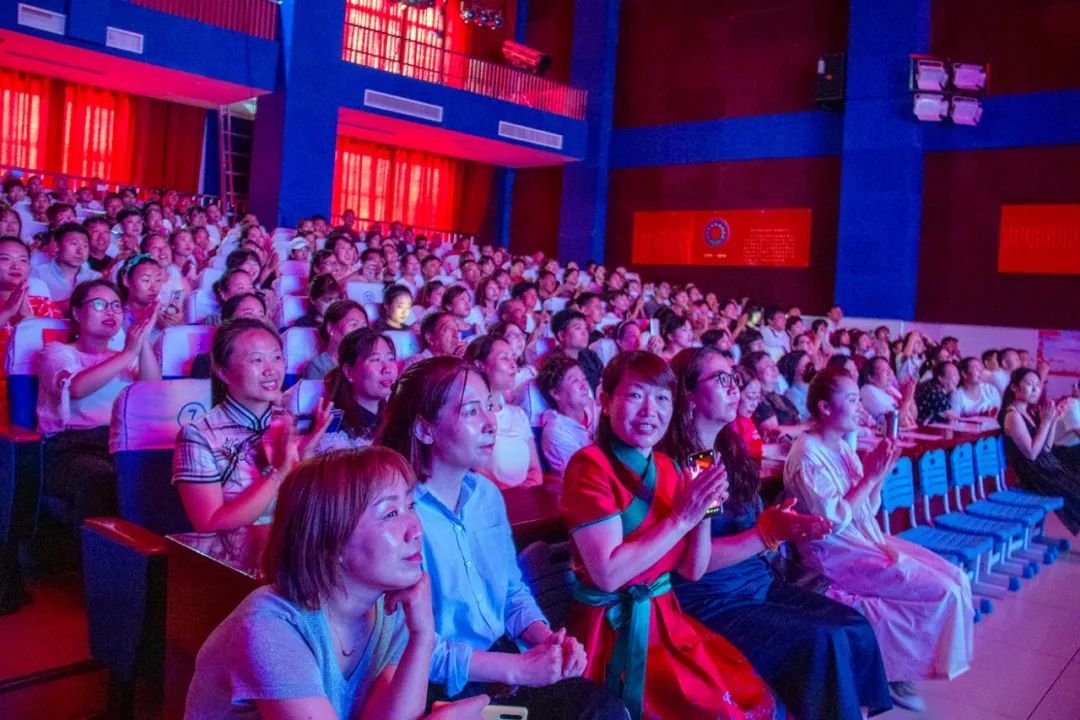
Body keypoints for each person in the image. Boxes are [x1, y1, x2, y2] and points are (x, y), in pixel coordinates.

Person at [376, 357, 626, 720]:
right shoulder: (399, 516)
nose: (490, 422)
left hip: (504, 661)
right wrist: (518, 668)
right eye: (471, 411)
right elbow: (405, 648)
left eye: (489, 407)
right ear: (425, 429)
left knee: (602, 708)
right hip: (439, 686)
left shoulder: (486, 496)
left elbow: (511, 592)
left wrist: (547, 641)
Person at [665, 347, 892, 720]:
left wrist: (782, 525)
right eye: (720, 379)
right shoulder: (691, 461)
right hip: (716, 600)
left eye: (733, 377)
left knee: (855, 626)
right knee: (824, 641)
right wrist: (768, 534)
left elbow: (761, 525)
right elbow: (693, 562)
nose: (733, 387)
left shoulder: (728, 449)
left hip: (758, 582)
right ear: (688, 394)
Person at [184, 447, 491, 720]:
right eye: (391, 513)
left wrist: (422, 635)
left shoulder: (389, 609)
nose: (415, 529)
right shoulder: (269, 627)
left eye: (410, 506)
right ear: (330, 542)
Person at [559, 351, 777, 720]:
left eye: (662, 398)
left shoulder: (669, 466)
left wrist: (704, 511)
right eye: (635, 396)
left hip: (666, 617)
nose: (650, 411)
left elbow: (692, 570)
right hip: (614, 628)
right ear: (606, 401)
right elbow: (608, 575)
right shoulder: (588, 465)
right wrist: (682, 517)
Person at [783, 367, 974, 710]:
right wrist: (868, 477)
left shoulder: (841, 446)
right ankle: (892, 670)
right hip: (833, 552)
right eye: (852, 399)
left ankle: (895, 667)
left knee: (957, 579)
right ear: (825, 408)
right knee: (941, 593)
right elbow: (830, 522)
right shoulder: (806, 454)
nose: (859, 407)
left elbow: (867, 507)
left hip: (864, 537)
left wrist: (879, 475)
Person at [172, 319, 331, 532]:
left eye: (276, 358)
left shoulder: (288, 421)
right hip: (232, 556)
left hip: (294, 545)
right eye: (257, 360)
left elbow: (310, 508)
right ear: (223, 372)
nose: (271, 370)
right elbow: (209, 524)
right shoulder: (199, 435)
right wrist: (278, 474)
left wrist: (307, 455)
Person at [36, 280, 160, 524]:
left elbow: (152, 392)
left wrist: (142, 338)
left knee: (164, 473)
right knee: (103, 479)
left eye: (116, 306)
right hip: (71, 447)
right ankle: (95, 557)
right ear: (76, 312)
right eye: (100, 304)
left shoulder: (123, 357)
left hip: (121, 443)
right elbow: (78, 388)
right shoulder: (57, 352)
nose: (111, 311)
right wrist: (128, 353)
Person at [999, 369, 1080, 535]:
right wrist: (1044, 423)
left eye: (1037, 385)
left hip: (1047, 466)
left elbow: (1047, 448)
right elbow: (1031, 454)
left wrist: (1053, 421)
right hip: (1035, 474)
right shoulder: (1013, 415)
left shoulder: (1027, 412)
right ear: (1014, 387)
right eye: (1029, 384)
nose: (1035, 389)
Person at [464, 335, 544, 489]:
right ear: (480, 365)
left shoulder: (518, 414)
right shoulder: (468, 416)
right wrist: (510, 496)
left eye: (513, 358)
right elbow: (475, 472)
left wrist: (527, 490)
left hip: (526, 503)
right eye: (504, 358)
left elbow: (535, 470)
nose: (513, 365)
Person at [320, 328, 398, 450]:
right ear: (349, 372)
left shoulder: (396, 414)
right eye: (375, 360)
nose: (387, 368)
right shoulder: (334, 427)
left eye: (391, 359)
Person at [538, 353, 599, 482]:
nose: (584, 386)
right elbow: (586, 473)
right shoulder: (556, 432)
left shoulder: (596, 410)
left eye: (584, 379)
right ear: (556, 394)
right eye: (575, 381)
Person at [30, 223, 100, 309]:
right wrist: (81, 300)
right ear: (57, 245)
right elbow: (35, 310)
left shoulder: (95, 278)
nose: (80, 251)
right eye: (74, 244)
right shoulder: (38, 274)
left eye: (85, 246)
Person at [304, 300, 369, 380]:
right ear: (331, 328)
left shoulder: (370, 363)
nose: (361, 332)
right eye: (354, 325)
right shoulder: (317, 367)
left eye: (364, 326)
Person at [741, 351, 802, 436]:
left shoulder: (782, 398)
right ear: (754, 373)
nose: (774, 369)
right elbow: (774, 432)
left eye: (773, 364)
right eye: (767, 367)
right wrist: (808, 427)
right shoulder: (758, 400)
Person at [551, 308, 604, 392]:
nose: (585, 333)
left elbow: (604, 381)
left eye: (585, 328)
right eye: (578, 328)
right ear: (561, 335)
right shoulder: (553, 365)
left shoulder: (591, 355)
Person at [858, 357, 916, 428]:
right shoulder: (867, 390)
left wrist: (910, 396)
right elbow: (890, 422)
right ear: (871, 377)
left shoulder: (890, 389)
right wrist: (906, 401)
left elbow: (914, 416)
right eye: (884, 370)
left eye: (889, 369)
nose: (889, 373)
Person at [914, 361, 960, 425]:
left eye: (957, 374)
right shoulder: (935, 393)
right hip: (922, 429)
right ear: (940, 378)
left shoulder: (931, 386)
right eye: (953, 375)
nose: (957, 378)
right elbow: (954, 416)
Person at [778, 350, 813, 422]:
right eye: (806, 365)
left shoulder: (814, 386)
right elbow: (801, 421)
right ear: (795, 369)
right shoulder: (792, 394)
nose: (812, 368)